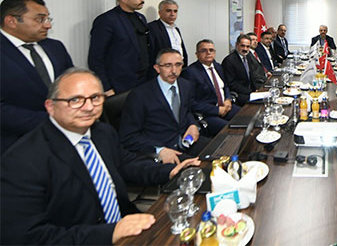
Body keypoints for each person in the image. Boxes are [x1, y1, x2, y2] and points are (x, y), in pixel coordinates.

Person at [0, 68, 199, 245]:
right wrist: (109, 233)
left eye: (95, 98)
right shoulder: (21, 161)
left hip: (128, 228)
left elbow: (126, 164)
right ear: (50, 106)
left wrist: (169, 171)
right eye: (75, 100)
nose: (88, 107)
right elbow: (26, 238)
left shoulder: (102, 132)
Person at [0, 0, 74, 152]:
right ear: (11, 21)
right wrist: (53, 120)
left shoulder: (55, 47)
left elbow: (72, 83)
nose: (48, 25)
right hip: (16, 144)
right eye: (40, 19)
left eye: (48, 19)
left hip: (65, 138)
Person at [119, 49, 210, 164]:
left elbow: (186, 111)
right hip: (163, 150)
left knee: (222, 151)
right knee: (204, 168)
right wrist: (159, 150)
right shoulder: (139, 95)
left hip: (187, 142)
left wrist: (193, 125)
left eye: (178, 65)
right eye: (168, 65)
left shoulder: (185, 85)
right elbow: (128, 137)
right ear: (157, 68)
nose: (174, 71)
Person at [88, 0, 152, 96]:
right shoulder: (107, 20)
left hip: (143, 81)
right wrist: (106, 87)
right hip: (120, 85)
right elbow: (95, 58)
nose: (142, 0)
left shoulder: (141, 18)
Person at [181, 39, 240, 136]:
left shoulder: (218, 67)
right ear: (197, 54)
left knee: (248, 116)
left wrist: (228, 99)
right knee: (232, 132)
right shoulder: (190, 72)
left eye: (211, 50)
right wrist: (217, 110)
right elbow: (191, 103)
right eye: (203, 50)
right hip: (208, 114)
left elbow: (225, 86)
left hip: (225, 107)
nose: (208, 53)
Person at [222, 34, 266, 105]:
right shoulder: (229, 61)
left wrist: (255, 90)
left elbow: (251, 76)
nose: (245, 49)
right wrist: (250, 92)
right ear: (237, 45)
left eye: (248, 46)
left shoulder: (248, 57)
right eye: (242, 46)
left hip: (251, 92)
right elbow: (231, 84)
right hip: (239, 94)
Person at [148, 0, 188, 67]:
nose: (172, 14)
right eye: (168, 11)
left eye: (175, 11)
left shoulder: (176, 29)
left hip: (179, 68)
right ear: (160, 13)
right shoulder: (152, 28)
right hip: (163, 68)